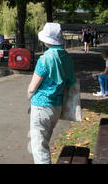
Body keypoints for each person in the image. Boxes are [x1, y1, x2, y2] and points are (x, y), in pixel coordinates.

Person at [27, 22, 76, 164]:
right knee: (44, 141)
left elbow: (32, 88)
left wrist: (29, 98)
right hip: (57, 106)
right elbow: (69, 81)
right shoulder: (67, 57)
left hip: (41, 106)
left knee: (39, 147)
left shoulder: (45, 59)